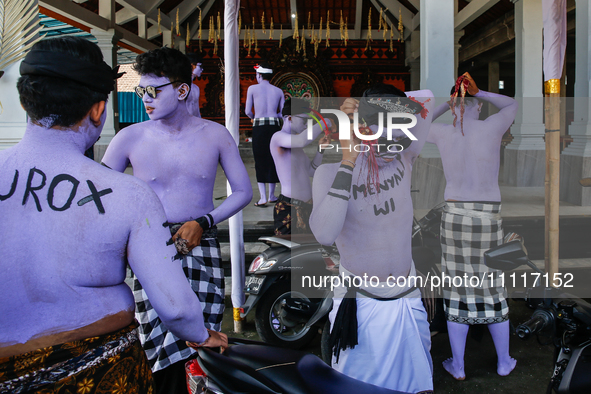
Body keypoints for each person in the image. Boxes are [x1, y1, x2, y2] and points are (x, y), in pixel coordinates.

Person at [0, 36, 226, 394]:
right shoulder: (127, 195)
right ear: (97, 110)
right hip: (100, 375)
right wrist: (203, 336)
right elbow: (176, 308)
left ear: (26, 102)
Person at [101, 47, 252, 393]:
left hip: (202, 244)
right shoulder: (130, 137)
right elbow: (100, 198)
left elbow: (242, 192)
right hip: (148, 250)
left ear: (182, 90)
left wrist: (204, 221)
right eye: (142, 91)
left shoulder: (214, 135)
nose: (146, 100)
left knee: (202, 342)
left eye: (153, 91)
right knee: (151, 341)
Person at [309, 84, 434, 393]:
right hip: (361, 304)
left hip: (407, 297)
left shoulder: (406, 157)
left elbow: (428, 96)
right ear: (364, 126)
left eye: (401, 130)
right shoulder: (330, 171)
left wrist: (383, 104)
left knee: (416, 386)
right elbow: (324, 232)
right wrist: (349, 160)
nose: (393, 141)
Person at [426, 72, 518, 380]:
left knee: (457, 289)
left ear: (454, 106)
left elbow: (416, 124)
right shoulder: (491, 127)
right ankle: (504, 361)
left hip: (454, 217)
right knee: (492, 287)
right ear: (476, 106)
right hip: (487, 217)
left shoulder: (442, 132)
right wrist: (481, 92)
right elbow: (512, 105)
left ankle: (459, 366)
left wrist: (445, 105)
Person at [270, 98, 332, 235]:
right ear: (290, 118)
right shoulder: (277, 137)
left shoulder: (296, 147)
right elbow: (302, 140)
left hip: (307, 208)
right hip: (289, 208)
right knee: (288, 253)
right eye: (304, 121)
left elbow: (311, 171)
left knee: (307, 253)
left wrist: (320, 150)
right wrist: (324, 122)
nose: (305, 127)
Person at [245, 62, 285, 207]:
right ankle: (271, 195)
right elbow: (282, 112)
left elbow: (247, 111)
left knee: (260, 159)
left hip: (259, 127)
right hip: (274, 126)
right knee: (273, 159)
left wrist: (254, 117)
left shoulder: (252, 89)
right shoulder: (278, 91)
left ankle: (262, 198)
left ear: (259, 75)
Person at [185, 52, 203, 118]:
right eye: (199, 66)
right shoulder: (180, 87)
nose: (202, 69)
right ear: (192, 65)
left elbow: (196, 110)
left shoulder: (196, 88)